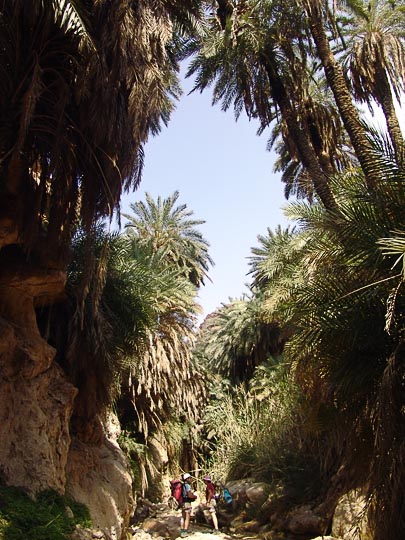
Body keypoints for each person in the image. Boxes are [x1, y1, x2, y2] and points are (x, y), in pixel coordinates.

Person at [180, 473, 196, 537]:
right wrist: (194, 496)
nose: (191, 479)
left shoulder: (182, 485)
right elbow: (189, 495)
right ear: (187, 479)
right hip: (187, 503)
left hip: (182, 503)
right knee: (187, 517)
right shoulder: (187, 486)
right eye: (190, 478)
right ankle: (185, 532)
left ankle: (181, 531)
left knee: (182, 517)